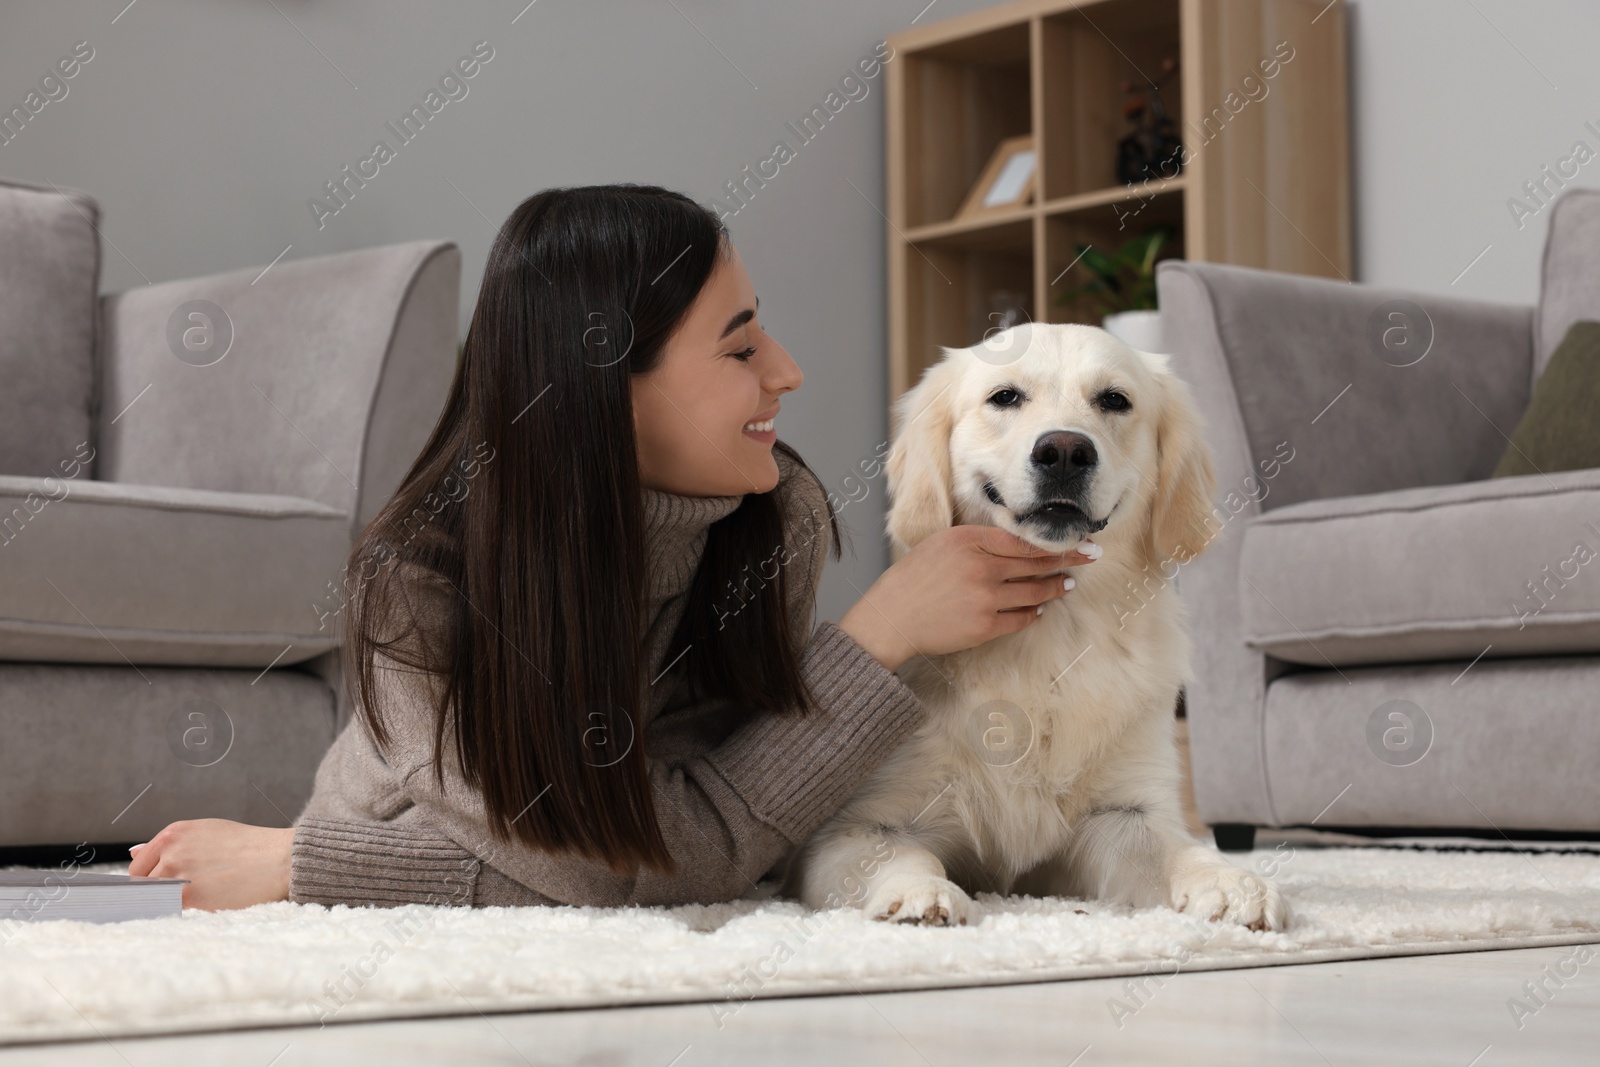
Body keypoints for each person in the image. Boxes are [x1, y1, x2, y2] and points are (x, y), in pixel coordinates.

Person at [127, 184, 1095, 910]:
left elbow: (704, 837)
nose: (787, 372)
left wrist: (293, 863)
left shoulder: (772, 514)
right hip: (394, 834)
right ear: (605, 388)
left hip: (526, 854)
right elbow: (604, 863)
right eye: (740, 346)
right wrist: (319, 866)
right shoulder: (417, 584)